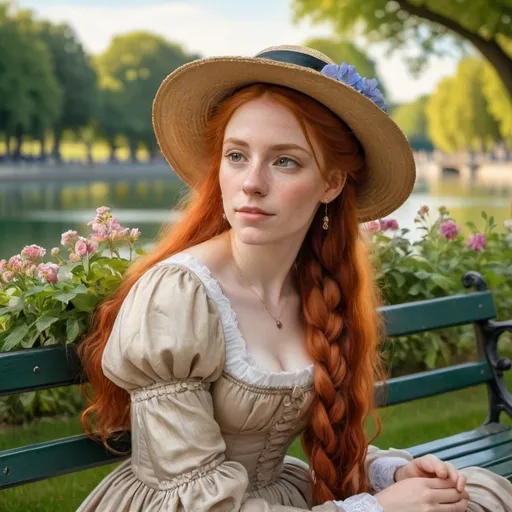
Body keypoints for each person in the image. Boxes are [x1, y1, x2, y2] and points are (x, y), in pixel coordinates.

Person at [77, 45, 512, 511]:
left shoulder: (315, 288)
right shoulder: (179, 297)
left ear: (331, 184)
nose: (252, 182)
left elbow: (330, 447)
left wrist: (394, 474)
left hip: (277, 499)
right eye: (237, 155)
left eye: (284, 161)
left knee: (474, 495)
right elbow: (198, 502)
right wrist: (379, 509)